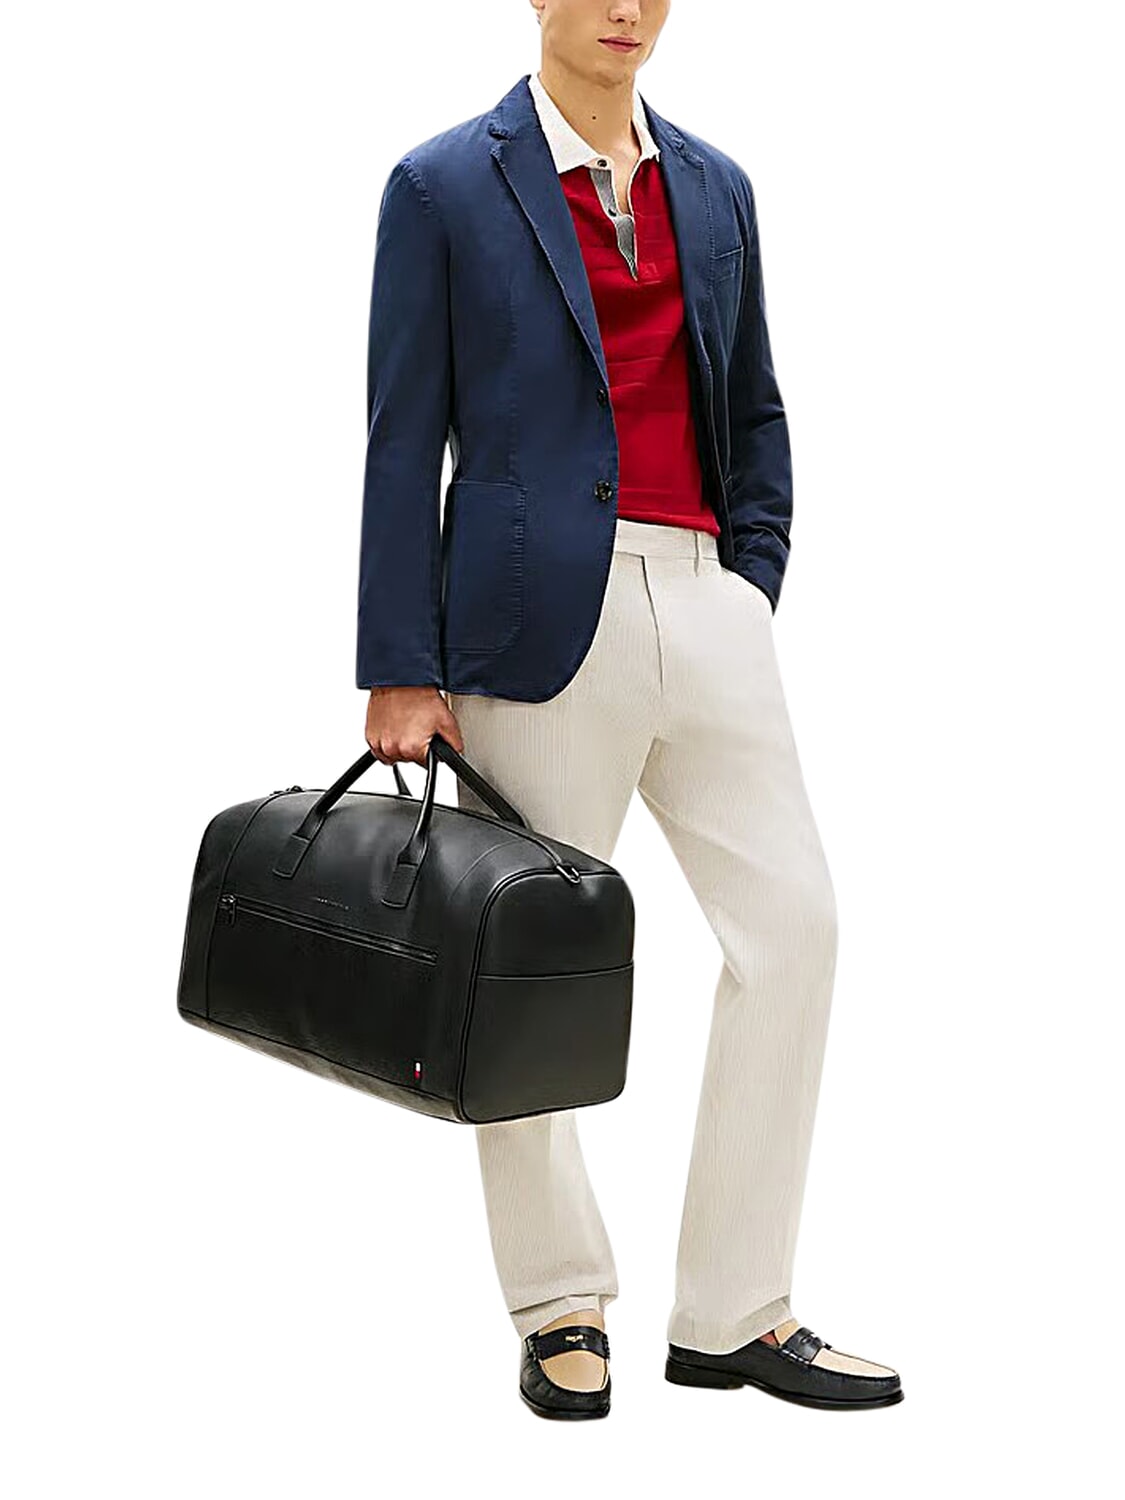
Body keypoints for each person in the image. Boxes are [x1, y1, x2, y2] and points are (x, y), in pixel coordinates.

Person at [357, 0, 903, 1419]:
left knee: (795, 930)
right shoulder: (440, 184)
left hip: (704, 597)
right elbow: (403, 435)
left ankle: (736, 1310)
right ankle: (558, 1302)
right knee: (527, 955)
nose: (625, 9)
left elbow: (755, 406)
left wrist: (748, 583)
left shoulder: (717, 186)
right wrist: (399, 661)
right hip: (530, 620)